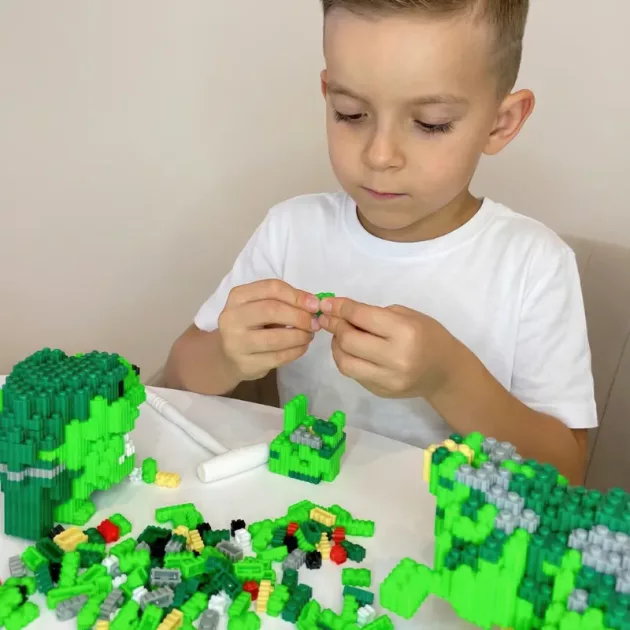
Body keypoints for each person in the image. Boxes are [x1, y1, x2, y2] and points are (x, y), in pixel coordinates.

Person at [165, 0, 597, 484]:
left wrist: (448, 379)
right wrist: (226, 355)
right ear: (327, 94)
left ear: (501, 122)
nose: (380, 155)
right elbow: (177, 380)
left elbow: (565, 470)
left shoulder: (534, 264)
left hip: (448, 529)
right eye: (351, 114)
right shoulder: (291, 230)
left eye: (431, 123)